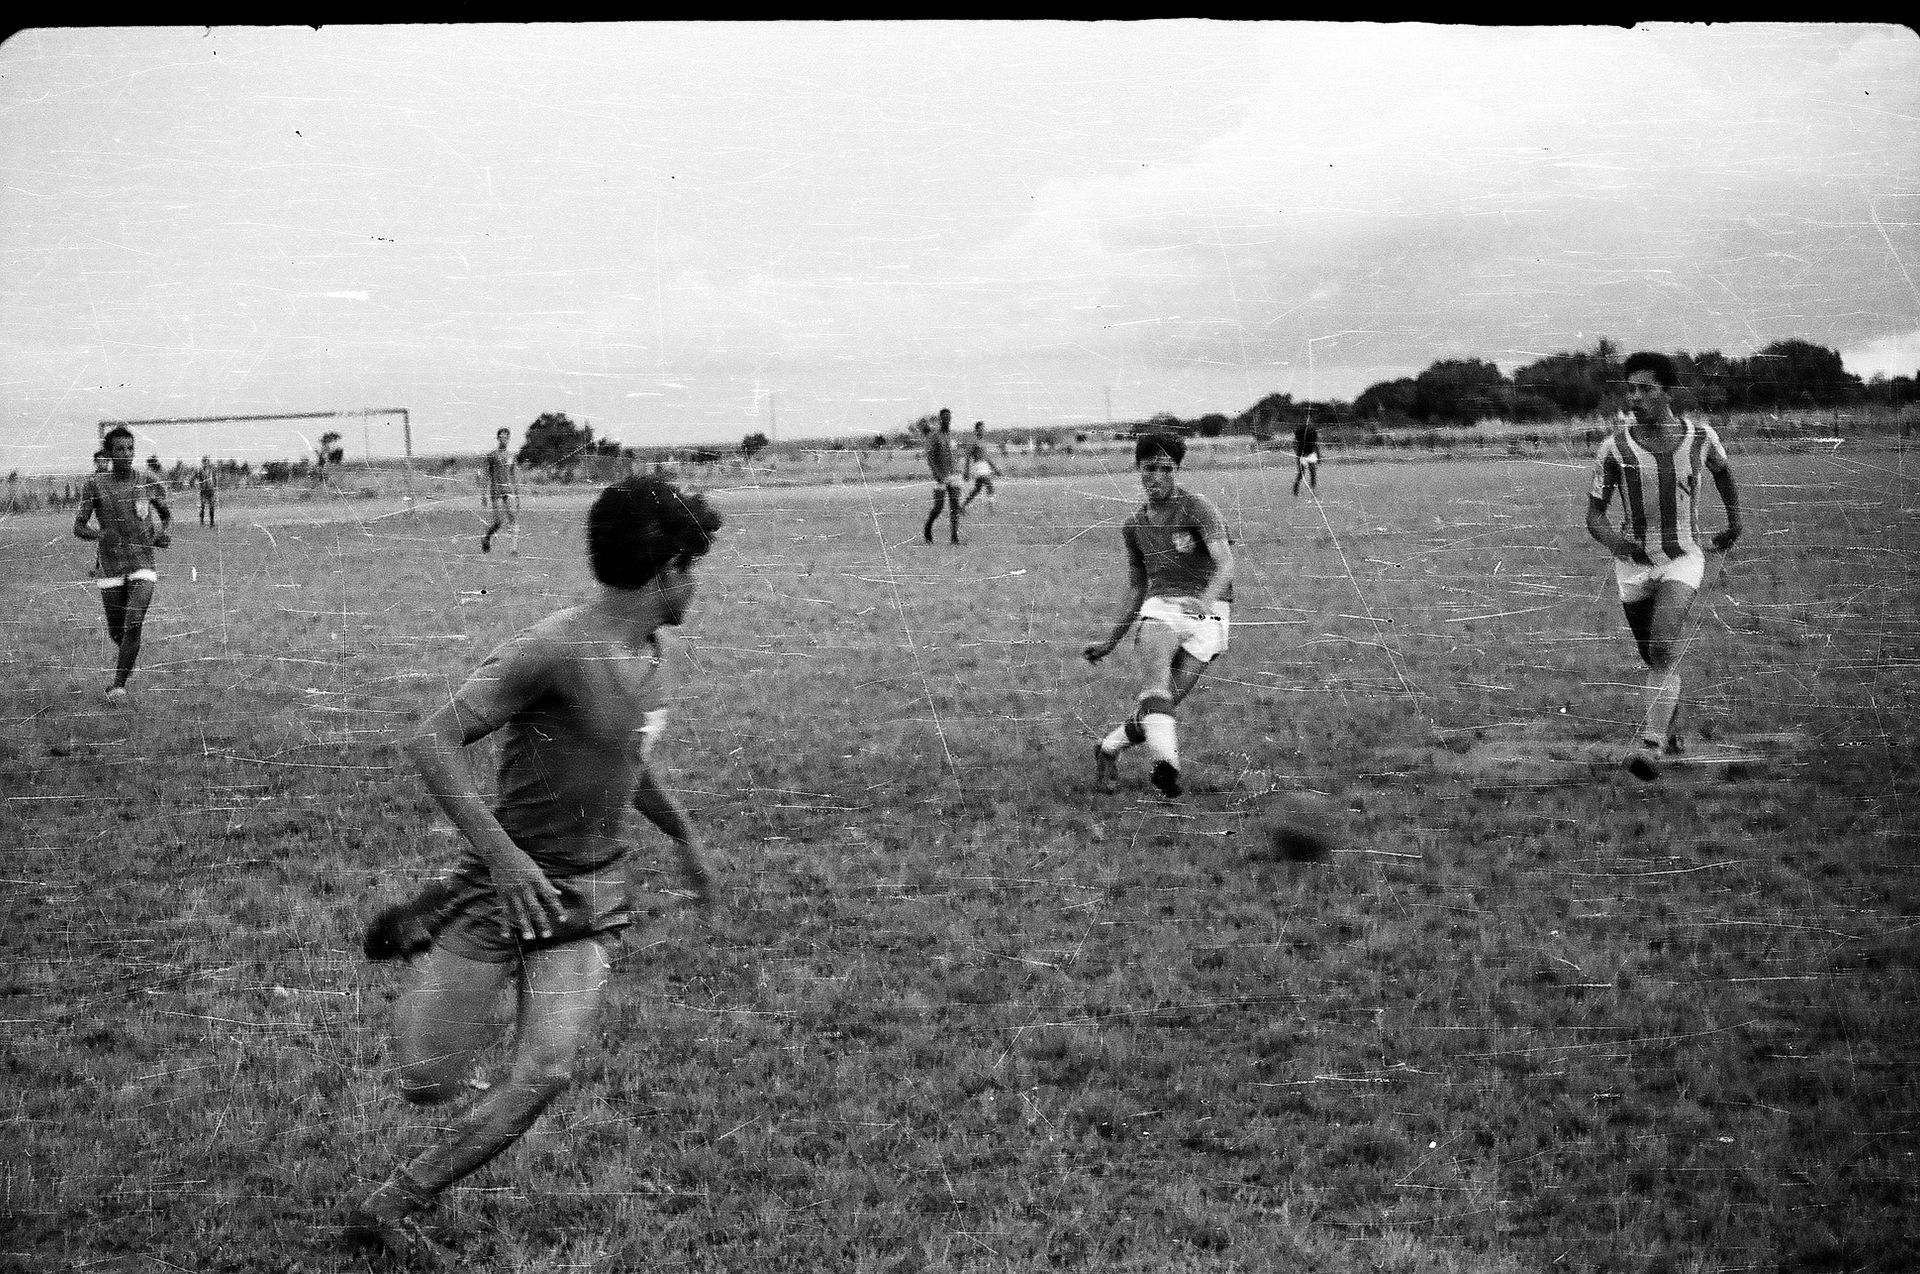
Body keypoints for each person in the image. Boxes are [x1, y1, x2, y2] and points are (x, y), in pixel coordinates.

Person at [346, 474, 722, 1261]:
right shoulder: (553, 648)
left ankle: (390, 1203)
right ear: (666, 574)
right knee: (427, 1082)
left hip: (585, 893)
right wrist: (504, 859)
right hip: (499, 885)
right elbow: (432, 740)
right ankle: (441, 910)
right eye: (694, 567)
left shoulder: (660, 656)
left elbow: (629, 758)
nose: (698, 583)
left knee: (544, 1071)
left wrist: (682, 834)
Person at [1585, 350, 1742, 781]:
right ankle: (1669, 731)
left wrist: (1734, 521)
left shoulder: (1701, 437)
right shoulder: (1613, 448)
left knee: (1660, 647)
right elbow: (1594, 516)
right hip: (1632, 565)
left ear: (1667, 392)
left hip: (1683, 557)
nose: (1634, 398)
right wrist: (1619, 542)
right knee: (1655, 657)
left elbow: (1724, 473)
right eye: (1630, 389)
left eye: (1644, 389)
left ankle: (1650, 748)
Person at [1083, 432, 1235, 799]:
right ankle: (1166, 765)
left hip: (1209, 614)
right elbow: (1137, 588)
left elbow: (1226, 562)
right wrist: (1110, 641)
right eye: (1149, 468)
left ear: (1176, 470)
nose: (1156, 477)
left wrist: (1206, 600)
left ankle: (1107, 749)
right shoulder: (1134, 525)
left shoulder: (1197, 508)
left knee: (1159, 708)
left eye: (1165, 469)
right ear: (1138, 469)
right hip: (1162, 609)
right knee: (1155, 689)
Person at [73, 426, 171, 702]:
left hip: (142, 564)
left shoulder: (146, 481)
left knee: (134, 622)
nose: (126, 454)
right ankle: (128, 657)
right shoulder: (95, 485)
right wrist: (97, 533)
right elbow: (78, 526)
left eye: (130, 448)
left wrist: (163, 533)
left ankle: (117, 686)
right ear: (108, 453)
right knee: (118, 631)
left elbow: (166, 514)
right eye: (119, 449)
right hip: (111, 566)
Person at [922, 408, 963, 544]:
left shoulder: (952, 436)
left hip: (954, 475)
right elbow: (930, 456)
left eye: (949, 417)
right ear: (940, 419)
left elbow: (956, 454)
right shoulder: (935, 436)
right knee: (939, 507)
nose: (947, 419)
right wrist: (936, 473)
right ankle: (928, 527)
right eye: (944, 417)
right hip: (941, 476)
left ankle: (954, 538)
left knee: (954, 506)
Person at [480, 428, 520, 554]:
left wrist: (517, 494)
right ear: (498, 438)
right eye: (501, 437)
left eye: (506, 437)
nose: (504, 440)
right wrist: (484, 494)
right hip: (496, 490)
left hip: (508, 490)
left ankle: (514, 549)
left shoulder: (511, 456)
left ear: (509, 439)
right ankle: (487, 538)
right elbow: (486, 474)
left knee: (513, 518)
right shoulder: (492, 455)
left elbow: (513, 475)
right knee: (498, 522)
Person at [961, 420, 998, 510]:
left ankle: (963, 506)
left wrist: (995, 469)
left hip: (985, 466)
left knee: (977, 489)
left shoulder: (984, 442)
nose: (982, 431)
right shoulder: (973, 442)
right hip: (978, 466)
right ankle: (991, 507)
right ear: (976, 430)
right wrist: (966, 471)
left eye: (983, 429)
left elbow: (987, 458)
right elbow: (968, 457)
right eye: (980, 429)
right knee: (989, 484)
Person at [1292, 421, 1320, 496]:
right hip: (1303, 455)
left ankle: (1312, 491)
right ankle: (1296, 488)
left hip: (1309, 454)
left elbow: (1315, 444)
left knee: (1312, 472)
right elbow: (1295, 443)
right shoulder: (1300, 431)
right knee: (1302, 473)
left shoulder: (1312, 431)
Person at [195, 457, 217, 529]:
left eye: (207, 461)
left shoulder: (212, 469)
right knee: (202, 506)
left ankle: (212, 522)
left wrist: (215, 487)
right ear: (203, 462)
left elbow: (214, 479)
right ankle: (202, 521)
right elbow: (197, 478)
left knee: (211, 506)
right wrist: (199, 484)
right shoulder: (200, 470)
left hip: (211, 490)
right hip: (203, 490)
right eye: (204, 461)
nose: (206, 463)